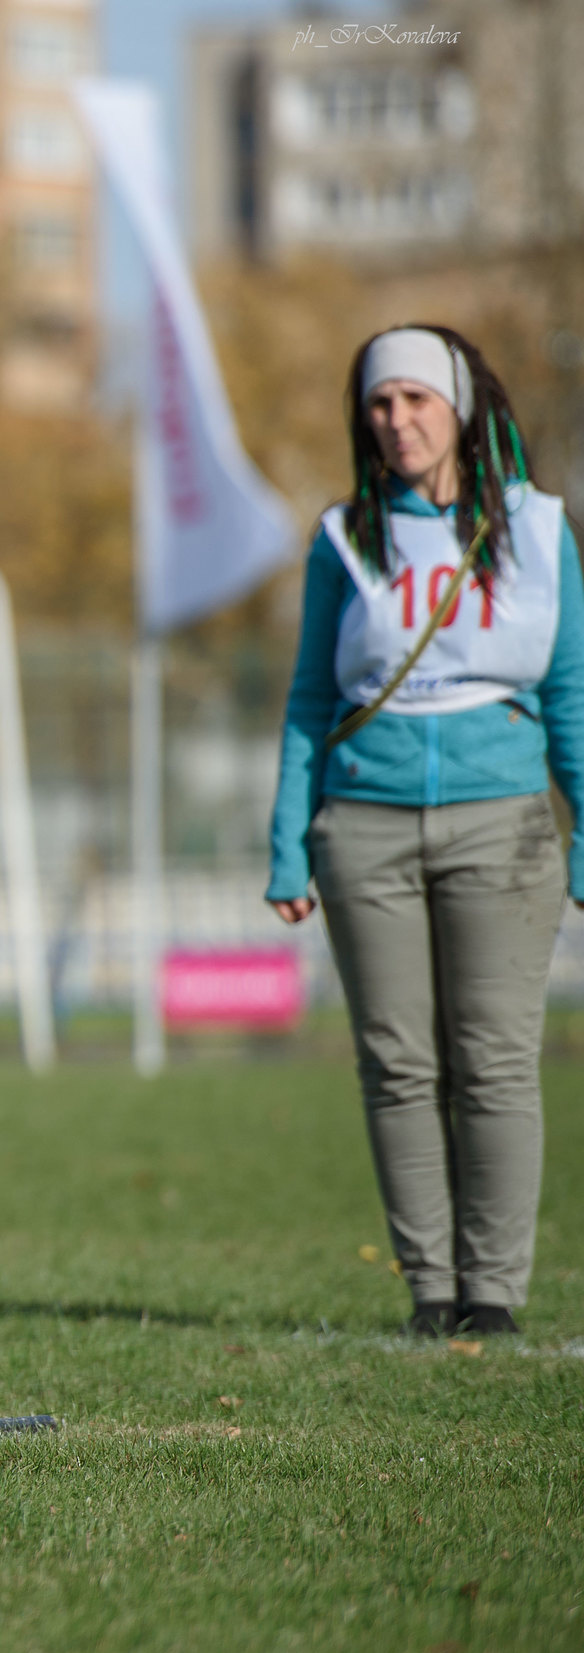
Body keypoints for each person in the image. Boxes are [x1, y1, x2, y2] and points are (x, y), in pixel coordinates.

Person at [267, 324, 584, 1339]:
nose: (395, 421)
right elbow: (310, 697)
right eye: (376, 404)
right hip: (363, 829)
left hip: (505, 825)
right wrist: (287, 840)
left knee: (492, 1058)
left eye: (414, 400)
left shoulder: (537, 528)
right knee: (397, 1064)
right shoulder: (342, 537)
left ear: (460, 407)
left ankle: (490, 1295)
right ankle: (428, 1291)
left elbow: (570, 694)